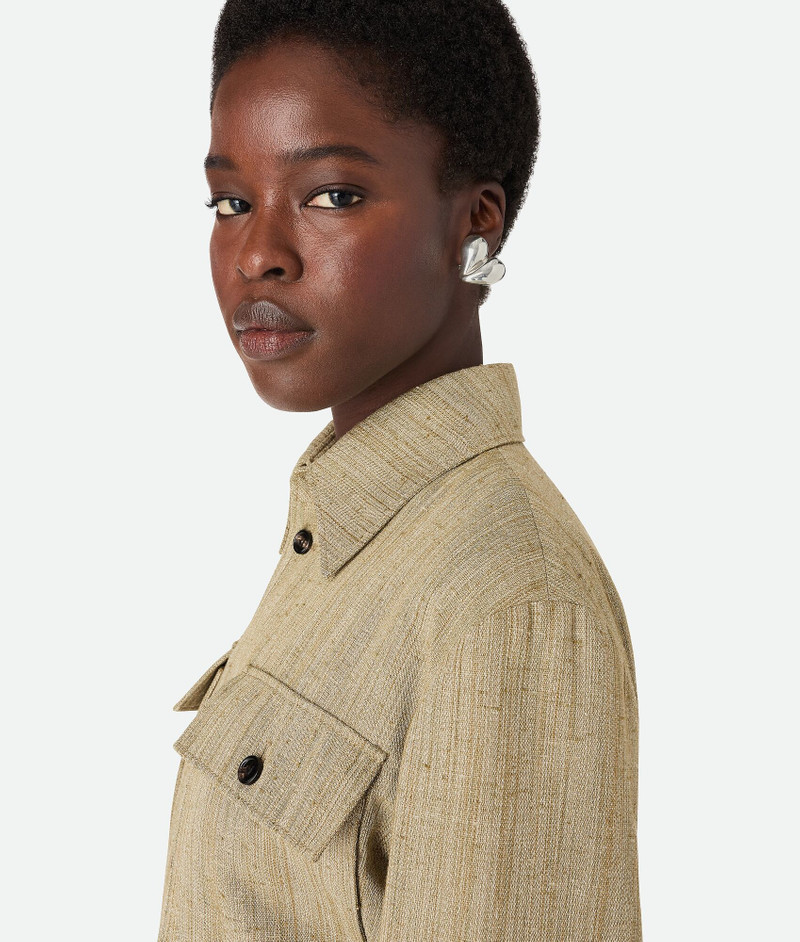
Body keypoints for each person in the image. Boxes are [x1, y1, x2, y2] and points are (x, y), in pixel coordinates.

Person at [157, 0, 642, 939]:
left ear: (477, 224)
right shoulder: (353, 542)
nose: (257, 255)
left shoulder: (509, 600)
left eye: (331, 196)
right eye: (230, 202)